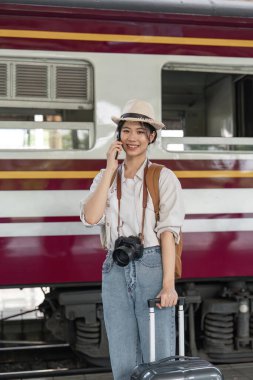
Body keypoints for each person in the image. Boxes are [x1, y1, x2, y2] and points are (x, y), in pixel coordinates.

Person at [80, 99, 185, 380]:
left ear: (151, 136)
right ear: (118, 136)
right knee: (122, 353)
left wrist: (168, 285)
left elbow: (168, 233)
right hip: (115, 266)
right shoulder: (105, 177)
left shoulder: (163, 177)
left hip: (151, 263)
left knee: (158, 353)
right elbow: (91, 218)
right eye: (126, 131)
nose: (132, 138)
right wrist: (109, 171)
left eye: (140, 131)